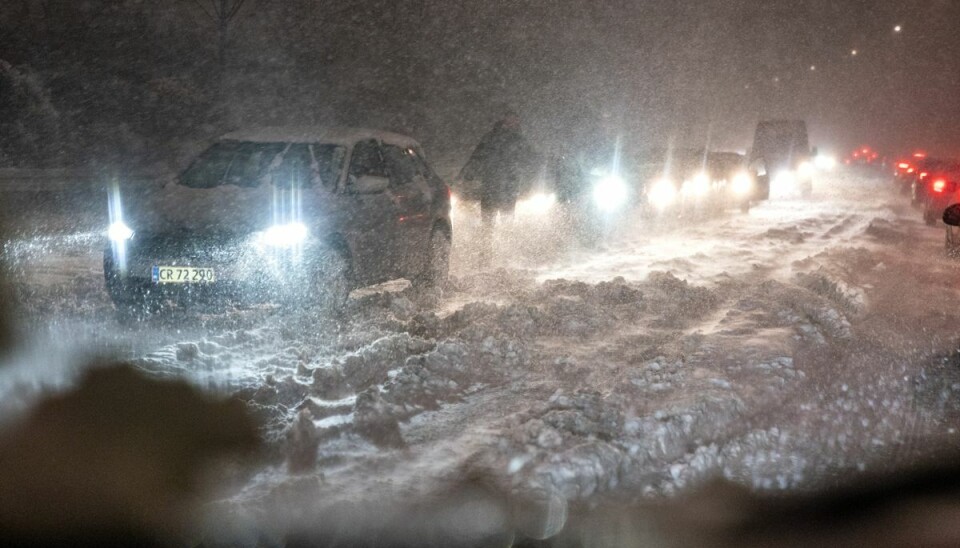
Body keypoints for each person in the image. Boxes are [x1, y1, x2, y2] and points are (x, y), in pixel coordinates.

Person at [459, 110, 537, 266]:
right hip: (491, 185)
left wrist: (533, 172)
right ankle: (486, 255)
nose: (513, 123)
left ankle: (505, 256)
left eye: (515, 120)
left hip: (509, 187)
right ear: (504, 121)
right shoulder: (491, 138)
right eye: (510, 120)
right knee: (488, 222)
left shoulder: (519, 140)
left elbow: (531, 159)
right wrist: (468, 173)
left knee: (507, 221)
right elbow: (477, 156)